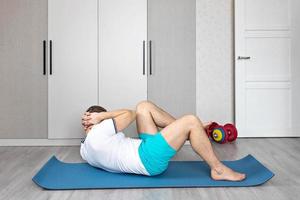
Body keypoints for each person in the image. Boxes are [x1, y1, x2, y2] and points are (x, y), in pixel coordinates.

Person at [80, 100, 246, 181]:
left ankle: (192, 131)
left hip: (143, 149)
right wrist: (101, 116)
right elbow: (129, 114)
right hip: (147, 158)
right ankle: (217, 169)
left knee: (143, 107)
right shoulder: (99, 131)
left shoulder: (85, 151)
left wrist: (92, 122)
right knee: (190, 120)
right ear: (96, 122)